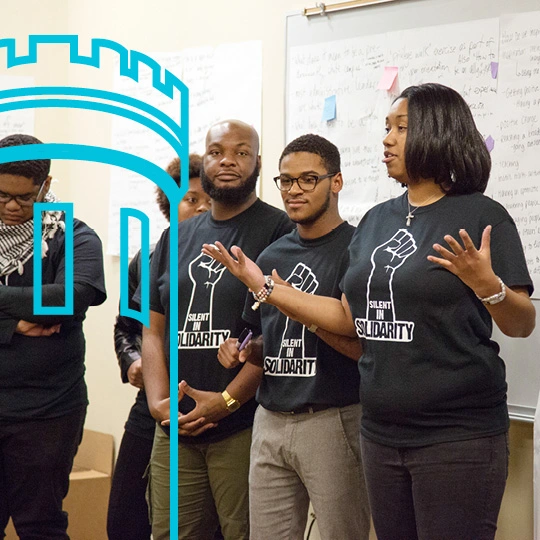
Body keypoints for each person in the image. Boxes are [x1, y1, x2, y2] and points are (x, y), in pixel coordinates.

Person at [202, 83, 536, 540]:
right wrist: (263, 285)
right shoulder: (378, 219)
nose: (386, 139)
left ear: (437, 132)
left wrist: (487, 285)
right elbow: (346, 319)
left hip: (458, 434)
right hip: (380, 432)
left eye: (400, 128)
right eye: (386, 128)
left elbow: (522, 323)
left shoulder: (482, 215)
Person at [141, 120, 293, 540]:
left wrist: (227, 401)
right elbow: (153, 330)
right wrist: (158, 404)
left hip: (244, 425)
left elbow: (277, 335)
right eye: (216, 151)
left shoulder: (280, 230)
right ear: (204, 162)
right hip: (174, 428)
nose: (227, 160)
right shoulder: (176, 236)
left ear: (258, 163)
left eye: (241, 152)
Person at [215, 133, 370, 540]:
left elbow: (362, 347)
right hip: (269, 418)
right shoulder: (272, 256)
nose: (294, 191)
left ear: (336, 182)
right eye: (285, 181)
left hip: (332, 418)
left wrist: (293, 305)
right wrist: (241, 351)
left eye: (307, 179)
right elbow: (269, 340)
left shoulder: (356, 248)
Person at [0, 134, 106, 538]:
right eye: (1, 195)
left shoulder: (72, 235)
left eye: (24, 198)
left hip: (46, 410)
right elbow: (43, 303)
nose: (11, 207)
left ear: (45, 186)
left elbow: (69, 300)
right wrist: (14, 323)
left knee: (39, 524)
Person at [107, 154, 211, 540]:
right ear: (170, 207)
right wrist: (132, 360)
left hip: (209, 403)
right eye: (190, 200)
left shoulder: (236, 259)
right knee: (124, 520)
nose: (201, 207)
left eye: (207, 199)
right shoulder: (147, 259)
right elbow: (126, 326)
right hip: (151, 404)